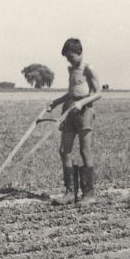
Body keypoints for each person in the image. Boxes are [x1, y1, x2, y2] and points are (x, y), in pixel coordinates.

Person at [47, 38, 101, 206]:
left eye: (70, 56)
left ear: (79, 52)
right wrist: (55, 102)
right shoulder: (71, 70)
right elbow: (71, 93)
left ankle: (89, 194)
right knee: (64, 150)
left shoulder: (88, 68)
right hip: (69, 109)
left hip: (84, 111)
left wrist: (82, 103)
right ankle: (70, 192)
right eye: (67, 57)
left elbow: (99, 93)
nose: (69, 60)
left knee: (85, 151)